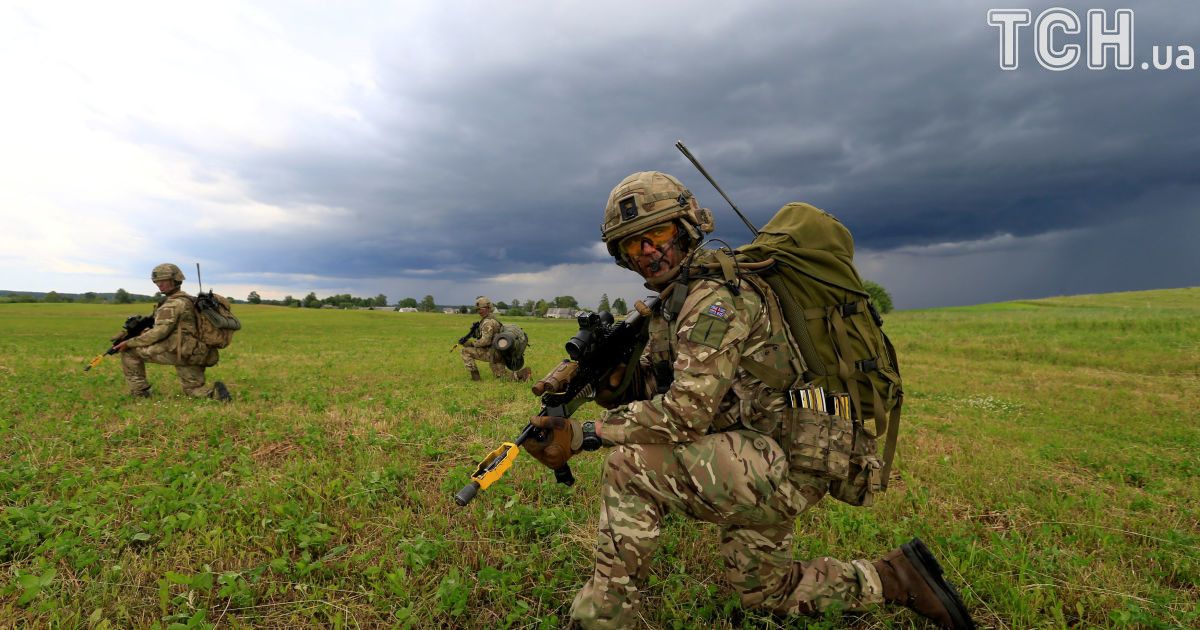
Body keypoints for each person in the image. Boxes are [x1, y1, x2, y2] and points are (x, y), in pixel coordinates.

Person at [523, 172, 974, 629]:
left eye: (656, 234)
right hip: (769, 450)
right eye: (632, 246)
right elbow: (672, 390)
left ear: (687, 227)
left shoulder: (714, 299)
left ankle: (600, 618)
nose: (648, 252)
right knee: (766, 591)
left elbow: (683, 414)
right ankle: (896, 578)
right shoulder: (678, 300)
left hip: (782, 460)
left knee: (628, 467)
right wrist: (614, 382)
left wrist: (588, 434)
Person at [113, 263, 231, 402]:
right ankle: (217, 393)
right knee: (193, 390)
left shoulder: (173, 304)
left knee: (129, 353)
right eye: (157, 281)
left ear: (175, 280)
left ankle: (140, 392)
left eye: (163, 281)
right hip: (197, 352)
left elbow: (159, 333)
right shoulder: (189, 300)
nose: (159, 284)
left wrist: (129, 342)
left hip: (179, 351)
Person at [460, 296, 532, 382]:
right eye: (478, 309)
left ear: (488, 308)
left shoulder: (488, 322)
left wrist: (471, 344)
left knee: (465, 351)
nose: (479, 311)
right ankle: (523, 374)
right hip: (500, 352)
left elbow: (485, 341)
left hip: (494, 353)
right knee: (502, 377)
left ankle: (476, 378)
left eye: (481, 309)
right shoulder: (492, 318)